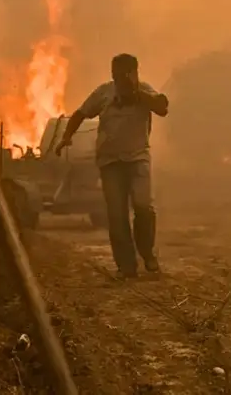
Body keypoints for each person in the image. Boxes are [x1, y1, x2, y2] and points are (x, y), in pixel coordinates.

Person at [55, 53, 169, 279]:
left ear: (135, 73)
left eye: (126, 75)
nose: (121, 81)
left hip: (138, 158)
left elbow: (162, 107)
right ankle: (126, 266)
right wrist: (66, 136)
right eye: (117, 76)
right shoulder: (105, 93)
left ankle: (147, 253)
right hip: (110, 162)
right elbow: (80, 114)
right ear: (112, 76)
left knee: (143, 206)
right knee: (117, 215)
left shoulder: (145, 92)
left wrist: (138, 95)